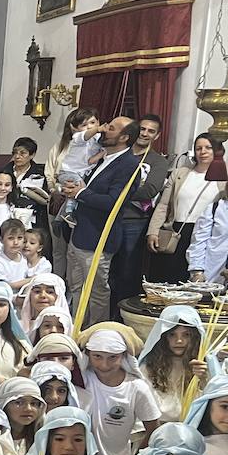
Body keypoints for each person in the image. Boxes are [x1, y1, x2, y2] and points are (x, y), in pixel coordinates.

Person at [62, 117, 144, 327]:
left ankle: (96, 333)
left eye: (111, 128)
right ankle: (77, 329)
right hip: (81, 233)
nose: (104, 129)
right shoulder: (103, 157)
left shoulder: (129, 164)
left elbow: (113, 202)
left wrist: (80, 192)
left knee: (97, 291)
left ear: (124, 137)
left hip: (98, 238)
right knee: (77, 288)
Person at [109, 114, 170, 317]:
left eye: (150, 131)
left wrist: (116, 190)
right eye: (142, 129)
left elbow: (149, 190)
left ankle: (123, 316)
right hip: (108, 217)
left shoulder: (158, 162)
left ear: (157, 135)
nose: (145, 133)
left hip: (134, 222)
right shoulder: (119, 153)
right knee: (106, 270)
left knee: (127, 271)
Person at [80, 326, 161, 455]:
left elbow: (153, 429)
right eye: (97, 356)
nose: (104, 365)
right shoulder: (82, 381)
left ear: (123, 356)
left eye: (112, 357)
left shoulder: (136, 388)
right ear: (88, 355)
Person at [148, 134, 226, 282]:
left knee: (194, 282)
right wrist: (153, 231)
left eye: (208, 148)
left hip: (205, 235)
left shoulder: (224, 178)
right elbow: (164, 205)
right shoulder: (181, 173)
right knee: (166, 280)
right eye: (198, 148)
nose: (203, 152)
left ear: (216, 150)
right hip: (176, 231)